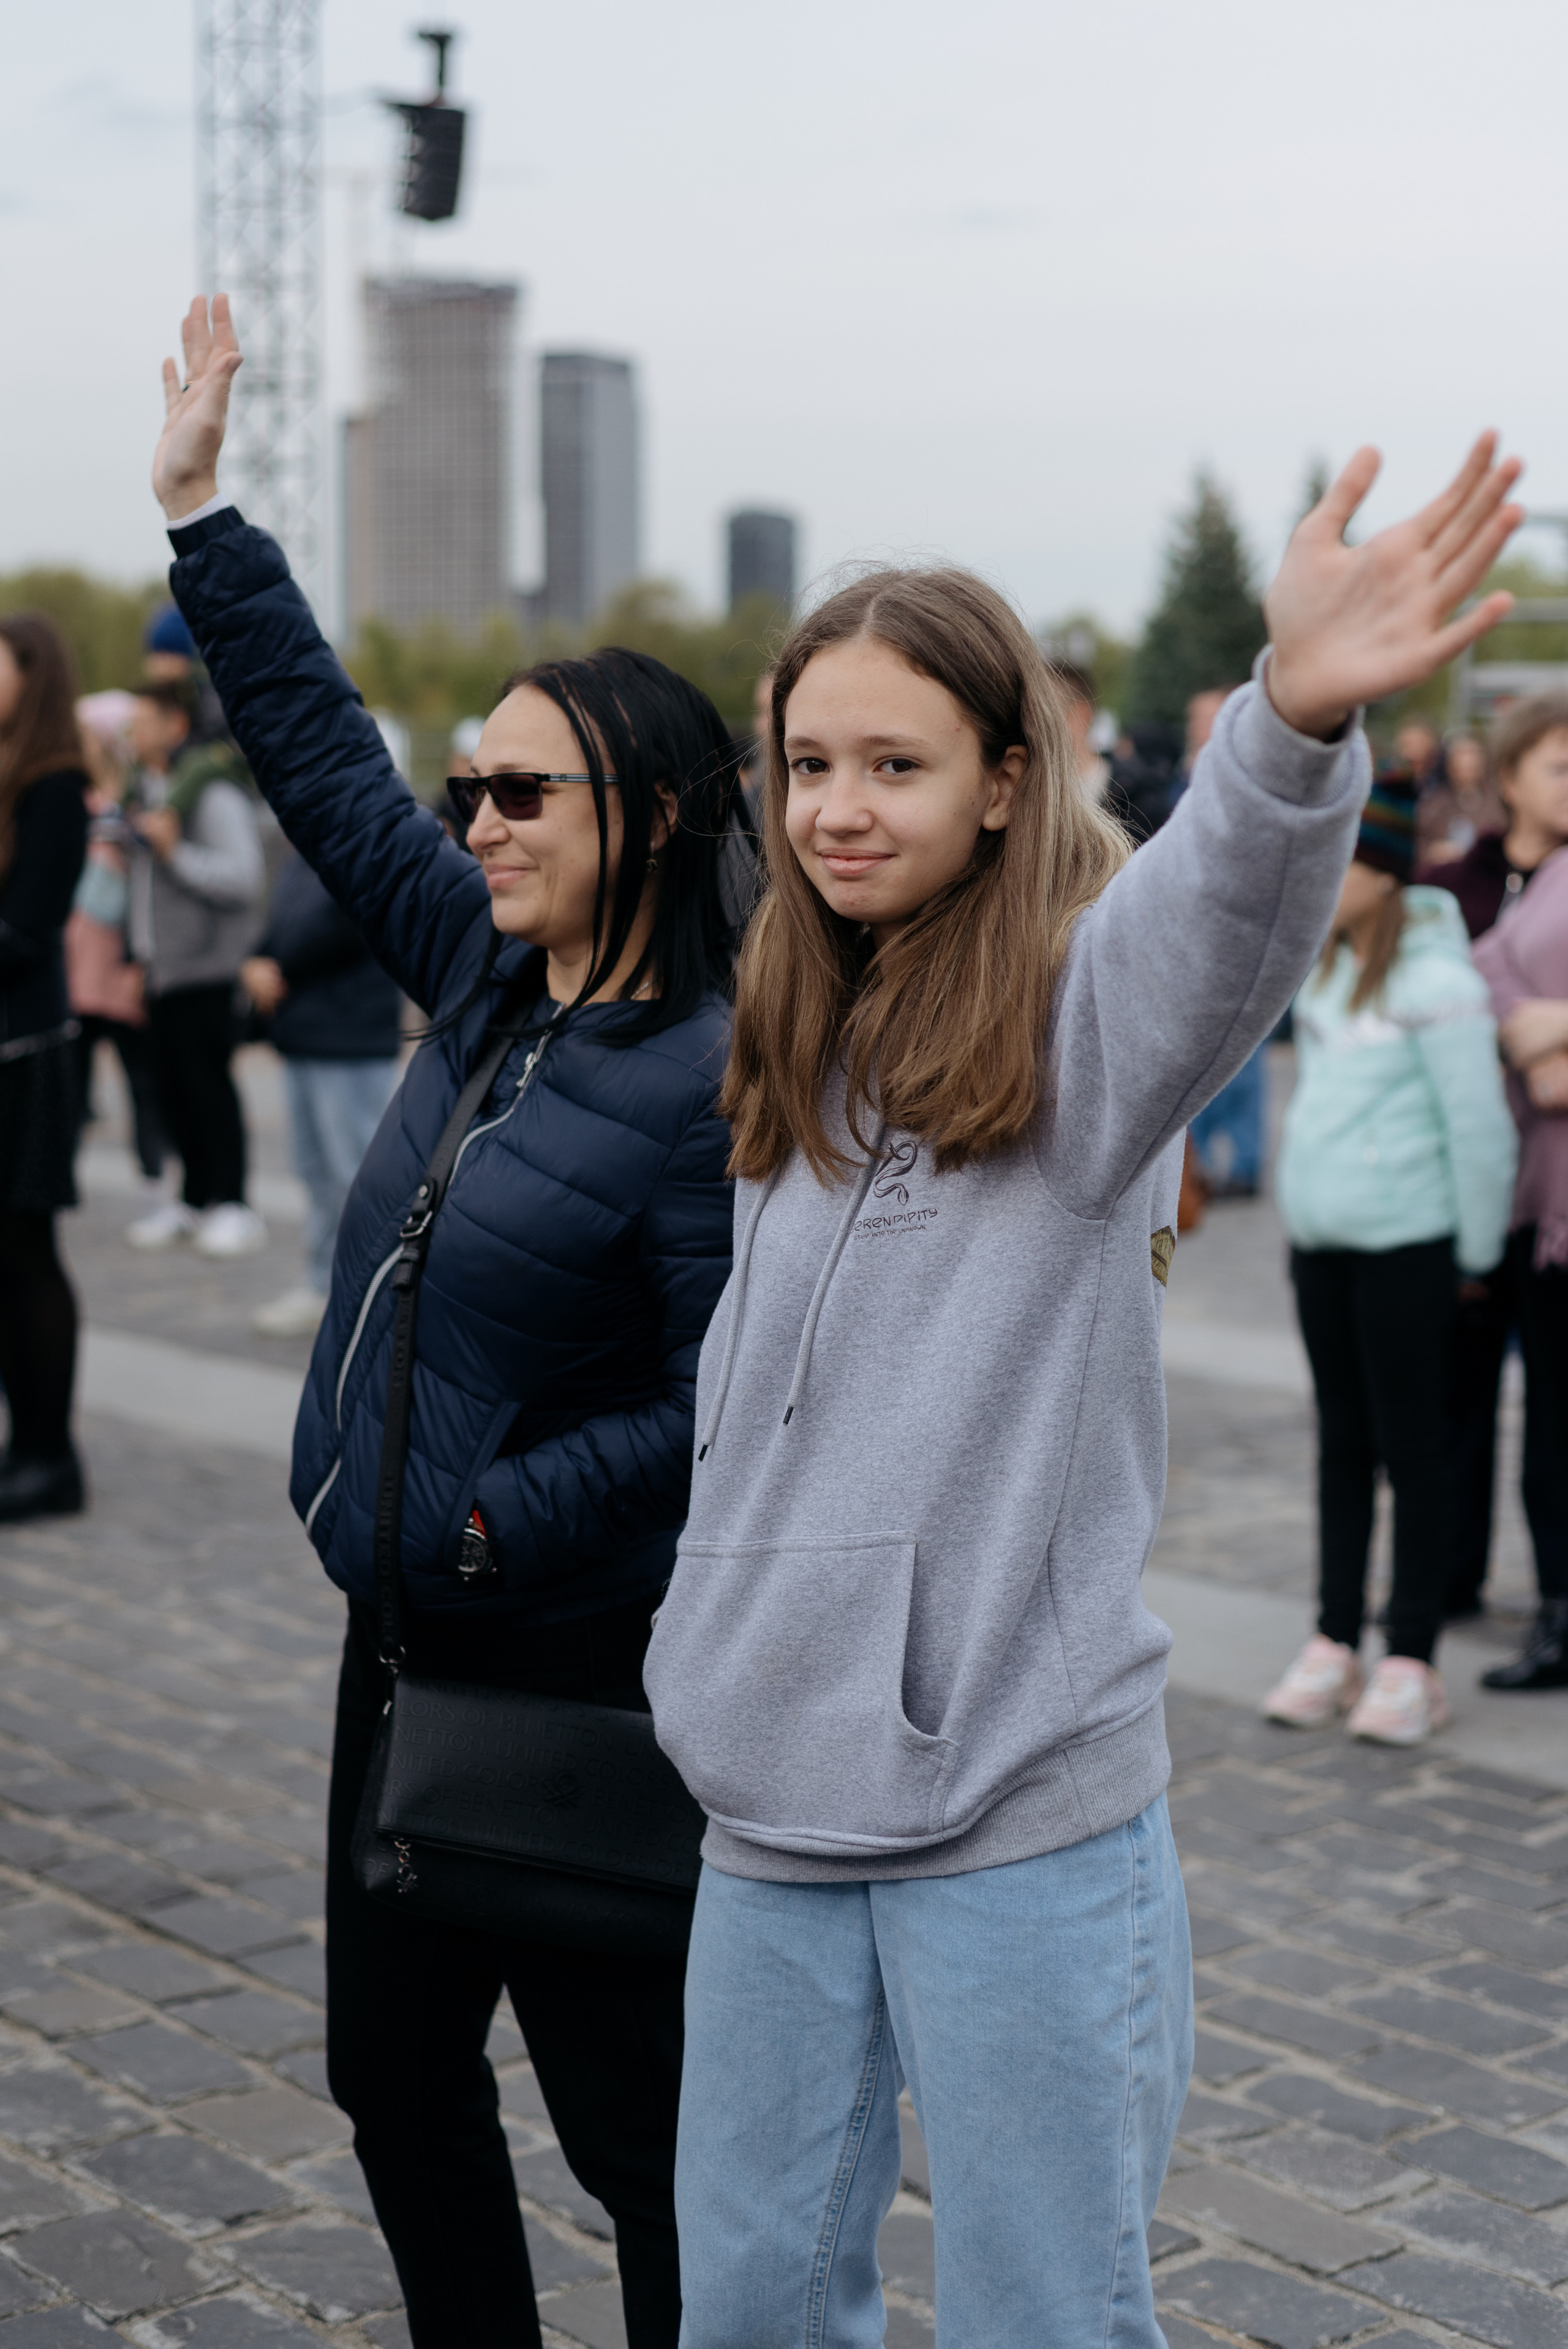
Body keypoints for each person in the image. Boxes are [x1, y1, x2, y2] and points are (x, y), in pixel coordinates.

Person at [641, 437, 1523, 2345]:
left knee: (1046, 2313)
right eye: (807, 764)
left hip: (1012, 1815)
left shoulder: (1080, 1019)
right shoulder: (793, 1032)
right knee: (747, 2309)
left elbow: (1219, 913)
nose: (840, 810)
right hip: (762, 1808)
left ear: (1003, 782)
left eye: (896, 764)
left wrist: (1285, 724)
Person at [153, 295, 739, 2349]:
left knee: (633, 2137)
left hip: (581, 1665)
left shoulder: (709, 1078)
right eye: (473, 783)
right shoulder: (488, 974)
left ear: (650, 816)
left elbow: (723, 1398)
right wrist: (204, 511)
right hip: (397, 1644)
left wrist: (499, 1521)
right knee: (391, 2080)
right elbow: (320, 752)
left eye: (524, 792)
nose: (477, 817)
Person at [1262, 776, 1516, 1743]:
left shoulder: (1440, 985)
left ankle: (1411, 1654)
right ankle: (1335, 1636)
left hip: (1411, 1247)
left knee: (1416, 1449)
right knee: (1340, 1442)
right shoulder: (1326, 970)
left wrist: (1478, 1254)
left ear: (1380, 870)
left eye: (1338, 860)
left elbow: (1478, 1130)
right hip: (1323, 1244)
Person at [1417, 697, 1568, 1620]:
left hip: (1552, 1192)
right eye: (1557, 765)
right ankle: (1449, 1577)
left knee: (1555, 1407)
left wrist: (1546, 1036)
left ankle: (1557, 1594)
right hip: (1469, 1185)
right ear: (1506, 777)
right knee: (1455, 1396)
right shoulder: (1447, 885)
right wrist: (1535, 1041)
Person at [123, 678, 266, 1257]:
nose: (132, 732)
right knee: (171, 1089)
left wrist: (173, 853)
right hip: (163, 970)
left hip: (208, 969)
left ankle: (233, 1203)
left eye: (144, 719)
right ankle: (193, 1199)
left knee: (210, 1089)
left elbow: (242, 878)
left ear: (175, 725)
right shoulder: (152, 789)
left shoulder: (211, 793)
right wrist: (138, 954)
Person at [0, 615, 90, 1523]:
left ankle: (49, 1453)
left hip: (25, 1053)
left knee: (28, 1255)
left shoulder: (55, 782)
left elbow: (24, 935)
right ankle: (22, 1440)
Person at [1474, 838, 1568, 1690]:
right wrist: (1529, 1035)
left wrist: (1561, 1025)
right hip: (1546, 1202)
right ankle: (1559, 1613)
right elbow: (1490, 967)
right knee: (1550, 1429)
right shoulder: (1549, 877)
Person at [241, 847, 404, 1337]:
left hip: (350, 1034)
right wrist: (256, 962)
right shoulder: (300, 851)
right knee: (316, 1174)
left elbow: (341, 924)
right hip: (304, 1030)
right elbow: (281, 919)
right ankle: (323, 1285)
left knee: (355, 1176)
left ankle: (373, 1298)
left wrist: (275, 965)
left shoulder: (361, 839)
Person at [67, 690, 167, 1206]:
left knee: (141, 1083)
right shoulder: (71, 801)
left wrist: (139, 958)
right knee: (68, 1084)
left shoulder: (134, 805)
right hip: (76, 968)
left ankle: (154, 1178)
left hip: (121, 965)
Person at [1416, 730, 1506, 865]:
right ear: (1450, 765)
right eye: (1461, 755)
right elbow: (1420, 848)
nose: (1467, 762)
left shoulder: (1498, 805)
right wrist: (1433, 852)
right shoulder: (1433, 805)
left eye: (1473, 755)